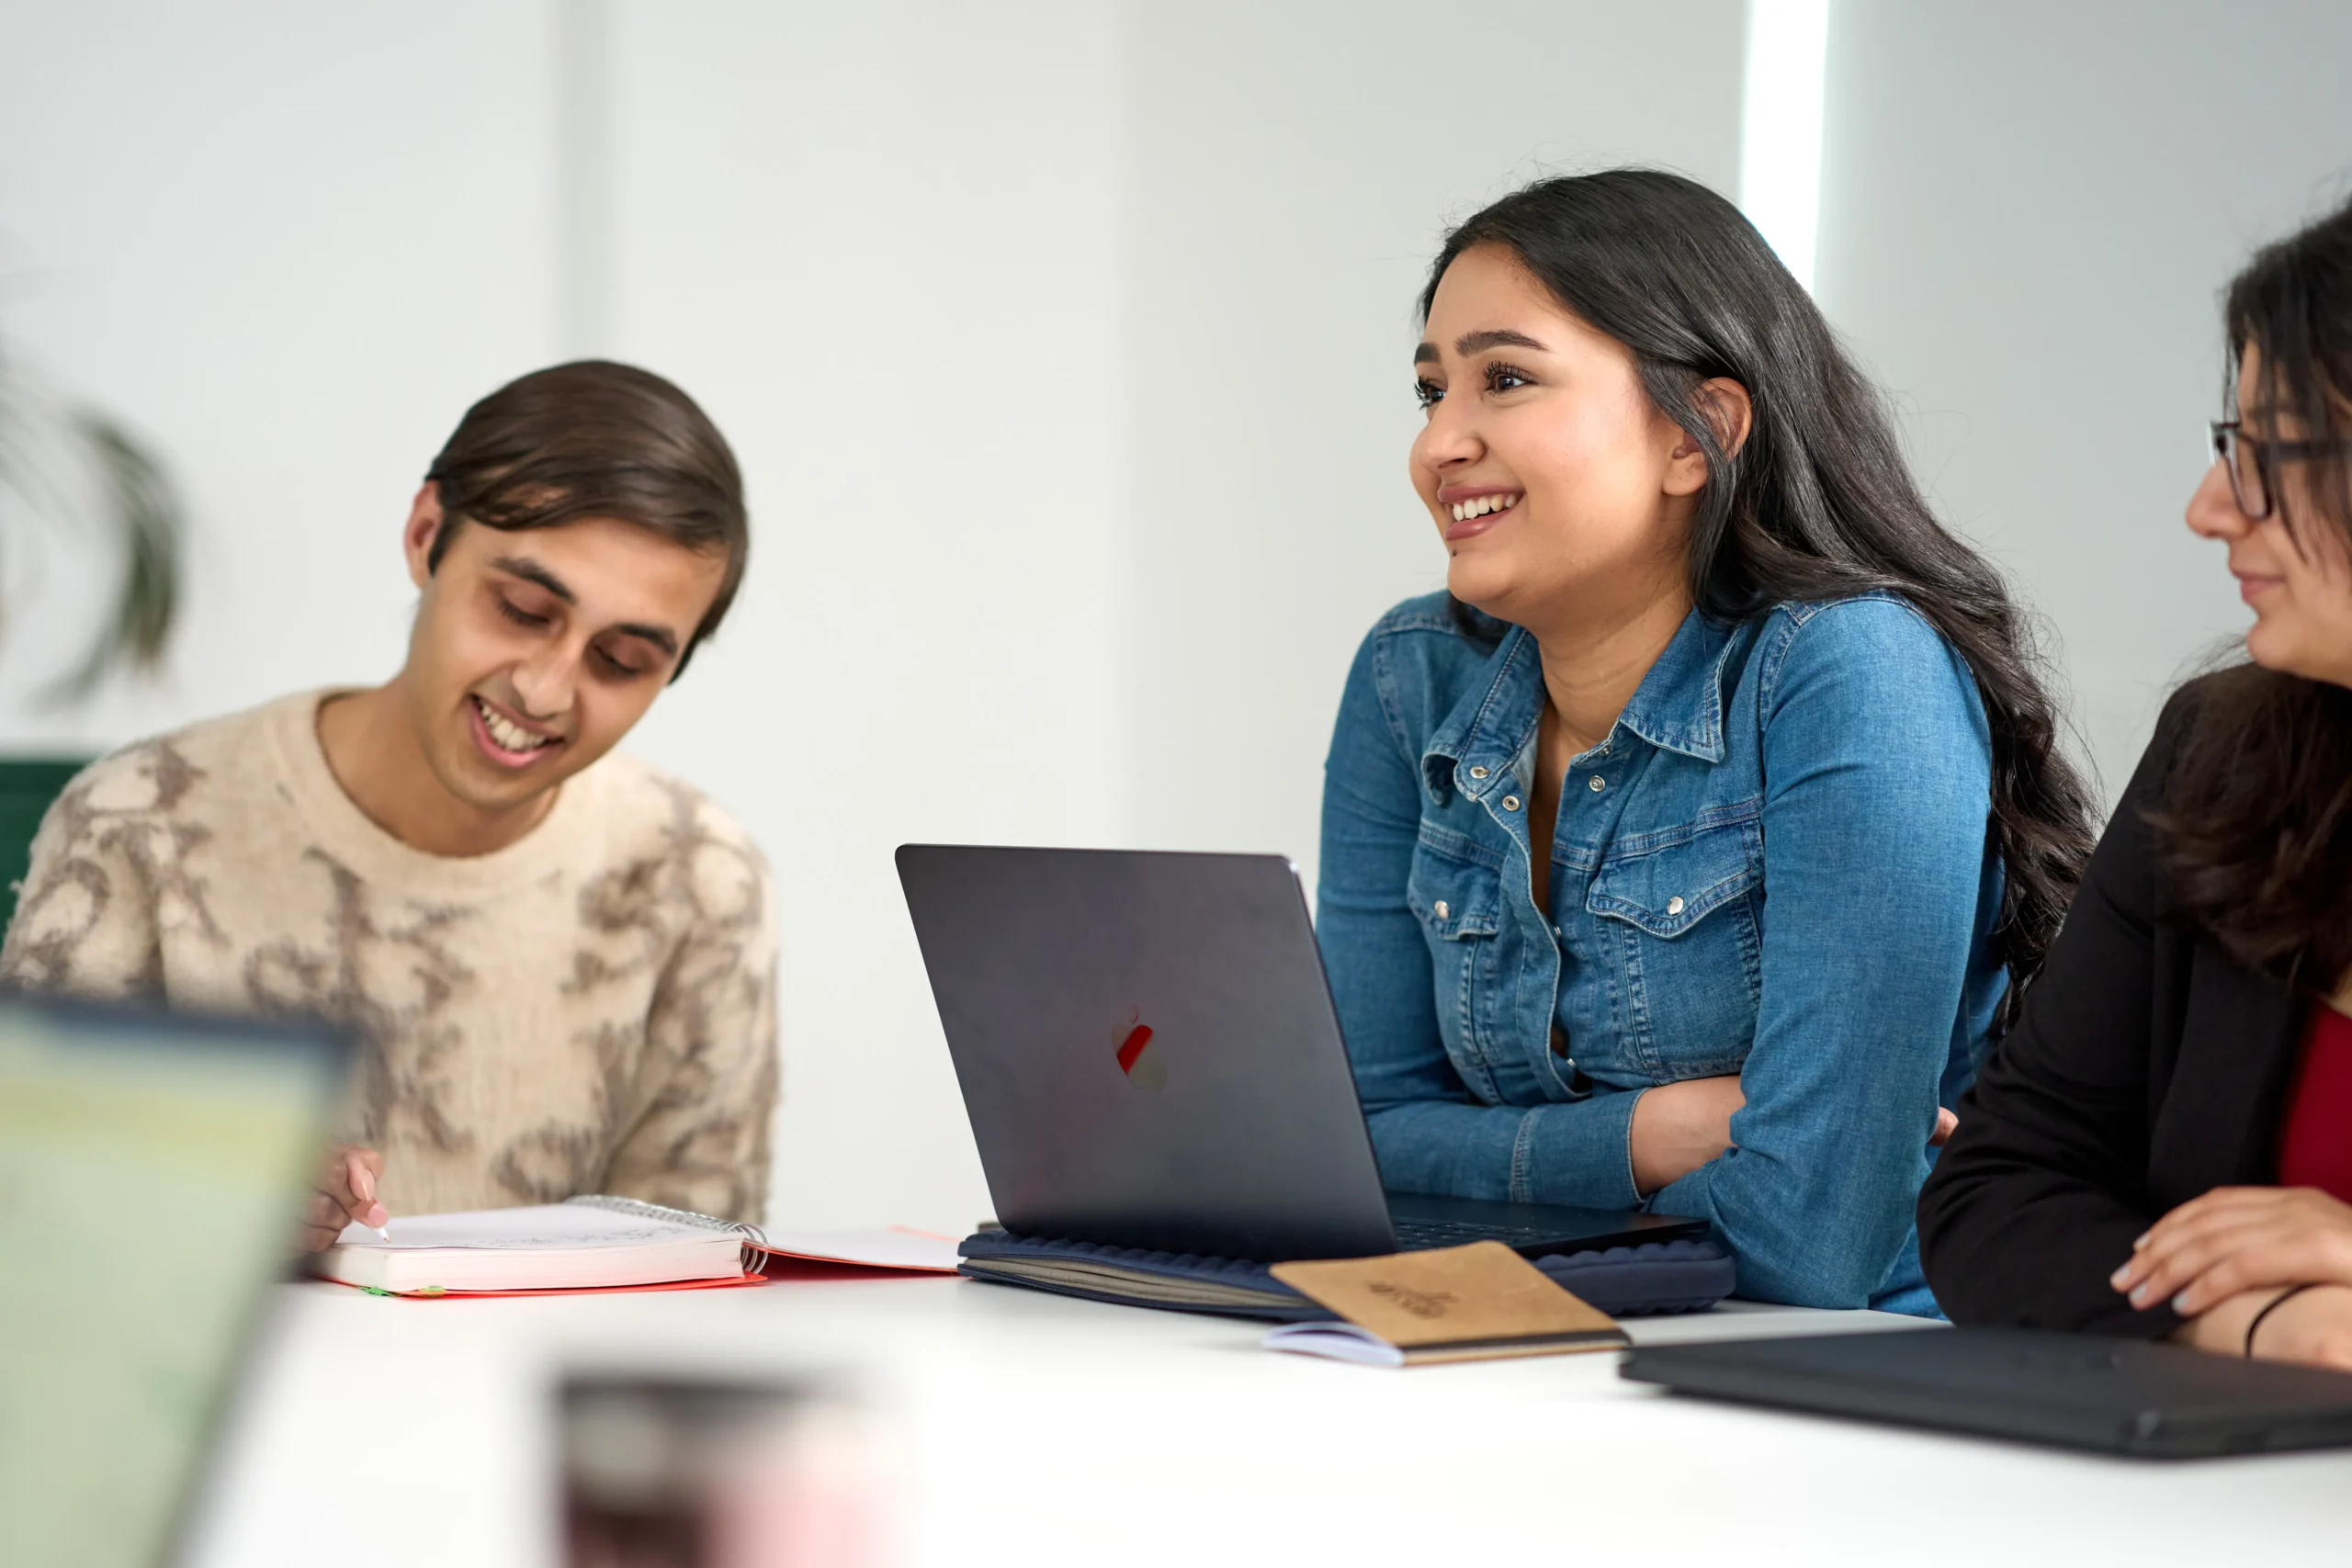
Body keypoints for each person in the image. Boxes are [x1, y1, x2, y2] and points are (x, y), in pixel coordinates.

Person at [1316, 169, 2096, 1313]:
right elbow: (1351, 1145)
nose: (1440, 443)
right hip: (1527, 1358)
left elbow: (1812, 1238)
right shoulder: (1411, 674)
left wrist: (1492, 1192)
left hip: (1841, 1382)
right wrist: (1640, 1138)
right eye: (1432, 392)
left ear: (1700, 435)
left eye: (1507, 379)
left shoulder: (1851, 670)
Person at [0, 361, 776, 1247]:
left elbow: (699, 1276)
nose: (546, 688)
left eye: (623, 661)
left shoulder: (696, 876)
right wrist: (208, 1200)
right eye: (523, 608)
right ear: (424, 533)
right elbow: (23, 1232)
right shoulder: (139, 823)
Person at [1918, 197, 2352, 1366]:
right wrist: (2269, 1322)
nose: (2207, 509)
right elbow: (1998, 1191)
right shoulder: (2225, 761)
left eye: (2269, 457)